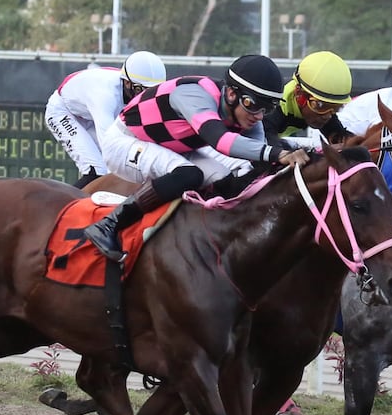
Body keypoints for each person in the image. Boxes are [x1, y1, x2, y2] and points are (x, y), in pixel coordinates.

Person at [85, 54, 310, 261]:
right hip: (124, 141)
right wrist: (279, 153)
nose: (258, 116)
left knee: (223, 179)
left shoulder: (246, 115)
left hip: (172, 146)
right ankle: (110, 224)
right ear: (231, 94)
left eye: (267, 109)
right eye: (252, 105)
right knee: (189, 174)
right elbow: (220, 141)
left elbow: (258, 160)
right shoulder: (194, 94)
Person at [45, 50, 166, 188]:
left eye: (151, 91)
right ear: (127, 83)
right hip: (63, 112)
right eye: (141, 90)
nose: (145, 97)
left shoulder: (129, 90)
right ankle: (68, 207)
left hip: (88, 112)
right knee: (97, 171)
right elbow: (110, 149)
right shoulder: (106, 97)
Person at [263, 50, 353, 149]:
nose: (327, 116)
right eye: (320, 105)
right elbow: (268, 146)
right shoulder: (272, 109)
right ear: (298, 93)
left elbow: (340, 137)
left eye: (335, 108)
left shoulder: (318, 110)